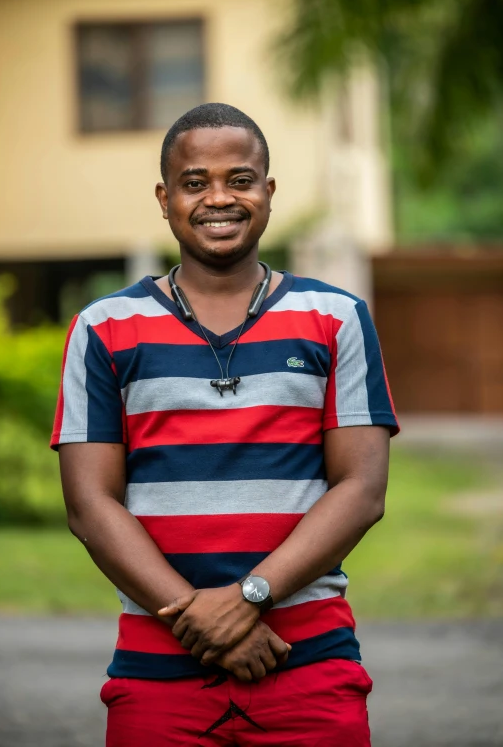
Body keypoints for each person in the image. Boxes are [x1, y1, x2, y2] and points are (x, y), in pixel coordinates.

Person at [52, 102, 399, 746]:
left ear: (269, 191)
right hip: (159, 670)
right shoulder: (102, 328)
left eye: (240, 179)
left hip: (308, 660)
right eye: (195, 182)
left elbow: (362, 491)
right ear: (164, 198)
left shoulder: (337, 317)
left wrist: (248, 597)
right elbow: (90, 504)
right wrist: (200, 620)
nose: (219, 198)